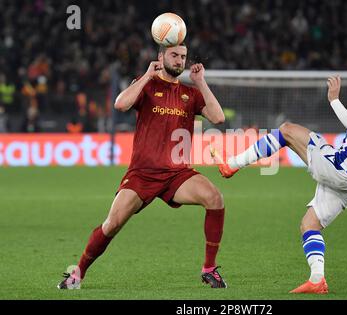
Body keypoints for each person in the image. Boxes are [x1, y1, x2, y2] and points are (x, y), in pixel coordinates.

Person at [213, 48, 347, 294]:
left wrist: (334, 99)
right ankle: (317, 280)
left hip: (340, 167)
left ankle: (232, 165)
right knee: (309, 224)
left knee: (286, 130)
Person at [58, 42, 227, 289]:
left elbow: (219, 117)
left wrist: (201, 81)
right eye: (174, 55)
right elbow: (120, 104)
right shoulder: (147, 84)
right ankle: (77, 273)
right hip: (142, 174)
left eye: (183, 57)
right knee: (112, 224)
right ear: (161, 56)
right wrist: (148, 75)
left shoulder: (190, 94)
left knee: (215, 198)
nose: (179, 61)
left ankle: (209, 269)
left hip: (177, 174)